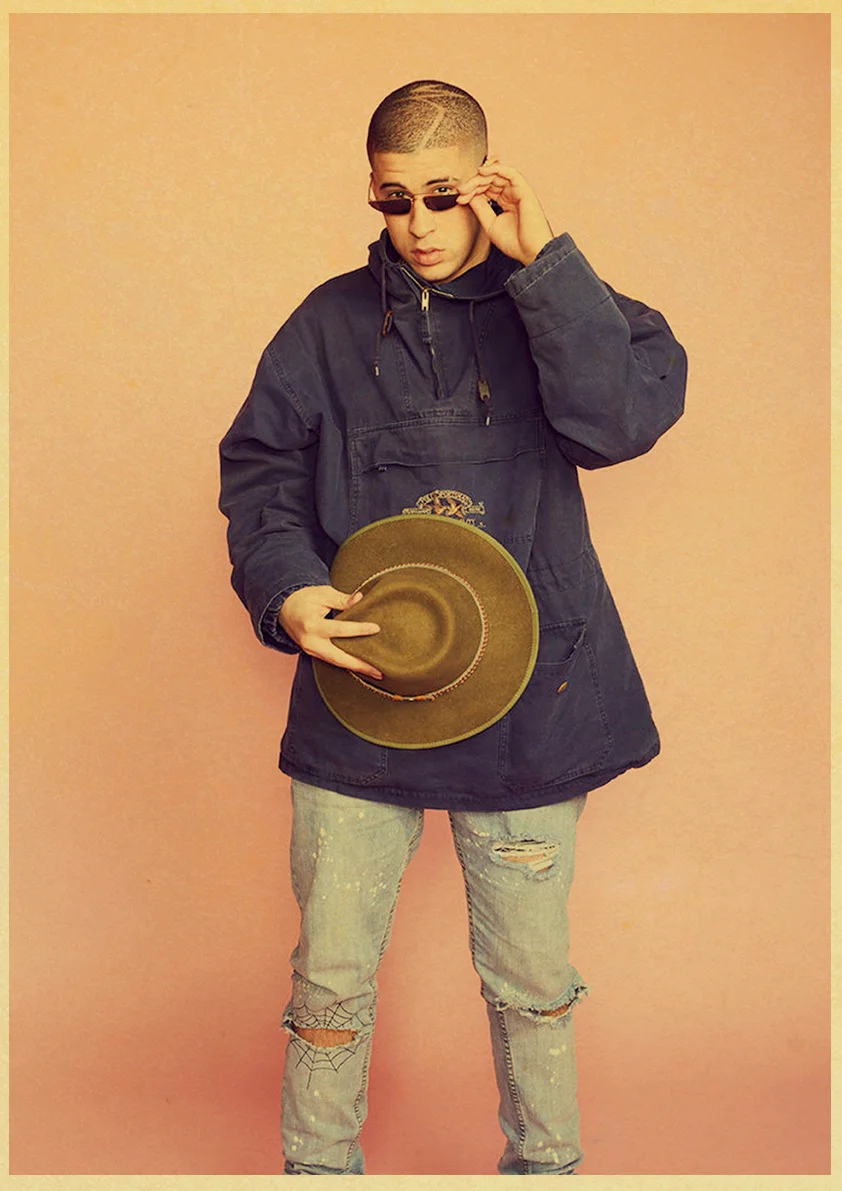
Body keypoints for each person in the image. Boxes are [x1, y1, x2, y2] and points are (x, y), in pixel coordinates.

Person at [219, 79, 687, 1176]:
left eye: (443, 195)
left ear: (486, 185)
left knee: (531, 983)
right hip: (361, 688)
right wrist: (287, 591)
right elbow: (260, 467)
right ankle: (317, 1171)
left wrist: (547, 261)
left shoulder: (558, 299)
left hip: (535, 699)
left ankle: (544, 1169)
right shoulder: (326, 323)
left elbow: (618, 422)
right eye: (395, 200)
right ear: (370, 193)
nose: (420, 224)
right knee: (329, 980)